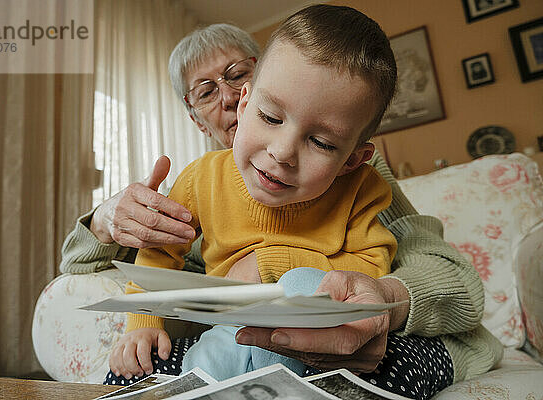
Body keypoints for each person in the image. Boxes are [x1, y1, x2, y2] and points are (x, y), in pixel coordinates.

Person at [59, 6, 502, 399]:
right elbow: (104, 265)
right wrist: (104, 222)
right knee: (133, 378)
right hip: (232, 339)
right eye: (206, 90)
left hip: (332, 330)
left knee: (367, 370)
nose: (228, 96)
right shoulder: (194, 186)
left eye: (236, 75)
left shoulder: (355, 179)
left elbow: (446, 277)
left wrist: (278, 268)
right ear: (195, 119)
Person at [117, 4, 400, 381]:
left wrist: (273, 264)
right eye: (270, 118)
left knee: (302, 285)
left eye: (320, 142)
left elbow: (370, 274)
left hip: (314, 327)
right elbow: (158, 252)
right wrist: (142, 321)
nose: (282, 153)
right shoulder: (201, 178)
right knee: (211, 359)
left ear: (352, 159)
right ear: (248, 104)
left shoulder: (362, 187)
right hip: (232, 327)